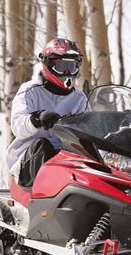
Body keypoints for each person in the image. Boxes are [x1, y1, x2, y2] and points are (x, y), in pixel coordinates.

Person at [6, 38, 89, 187]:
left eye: (72, 66)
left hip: (66, 156)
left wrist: (113, 126)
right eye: (62, 66)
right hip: (30, 158)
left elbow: (90, 126)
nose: (67, 72)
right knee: (42, 146)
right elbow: (17, 126)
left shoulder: (79, 98)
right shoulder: (29, 91)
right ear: (48, 64)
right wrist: (36, 119)